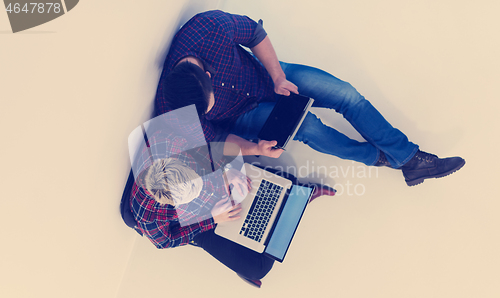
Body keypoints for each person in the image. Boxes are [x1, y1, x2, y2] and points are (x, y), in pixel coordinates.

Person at [156, 10, 465, 186]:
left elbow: (254, 34)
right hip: (243, 115)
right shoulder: (176, 112)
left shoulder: (207, 28)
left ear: (207, 76)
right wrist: (253, 148)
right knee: (309, 128)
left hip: (269, 75)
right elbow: (217, 139)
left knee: (346, 94)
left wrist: (278, 76)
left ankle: (408, 159)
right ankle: (385, 158)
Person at [128, 130, 335, 286]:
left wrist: (223, 172)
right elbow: (165, 241)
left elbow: (209, 149)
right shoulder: (149, 216)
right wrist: (211, 219)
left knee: (275, 182)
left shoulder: (168, 142)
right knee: (258, 268)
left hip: (211, 180)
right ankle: (294, 204)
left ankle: (294, 199)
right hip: (201, 220)